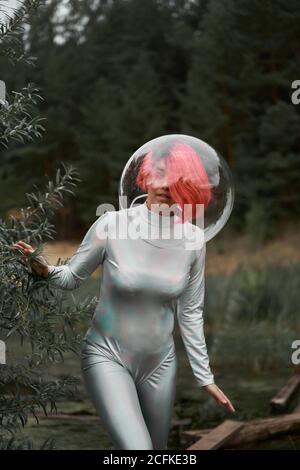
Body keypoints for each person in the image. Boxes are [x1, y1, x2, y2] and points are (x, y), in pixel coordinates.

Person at [12, 145, 235, 450]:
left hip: (160, 363)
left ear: (190, 185)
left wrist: (204, 377)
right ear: (145, 178)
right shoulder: (112, 225)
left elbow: (191, 312)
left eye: (177, 178)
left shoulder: (194, 240)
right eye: (159, 175)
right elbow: (71, 278)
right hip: (107, 355)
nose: (165, 186)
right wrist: (45, 268)